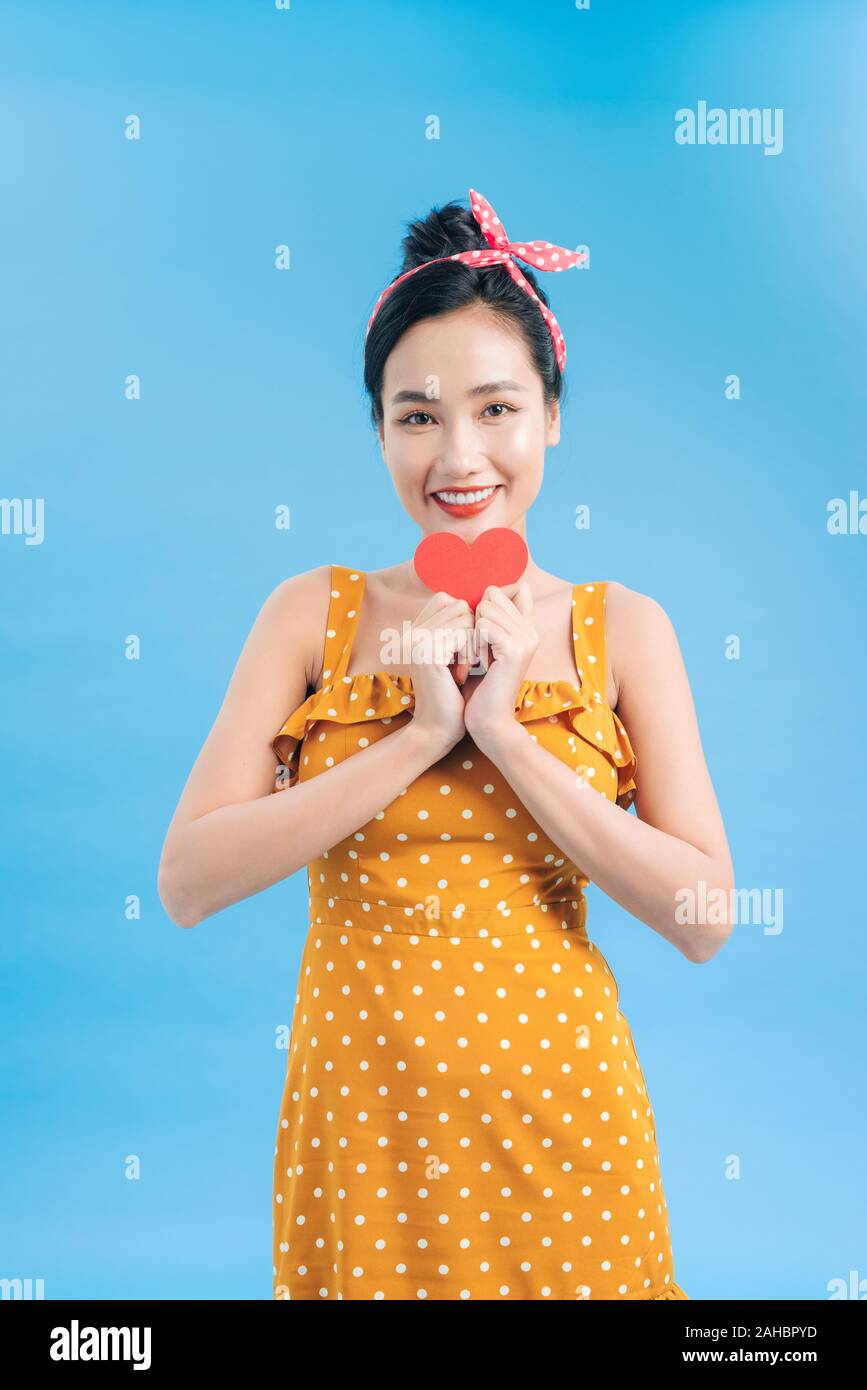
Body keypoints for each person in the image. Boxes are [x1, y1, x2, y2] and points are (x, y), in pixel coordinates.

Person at [158, 188, 734, 1300]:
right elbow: (187, 881)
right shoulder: (308, 614)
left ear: (553, 415)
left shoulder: (625, 629)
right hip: (363, 1132)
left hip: (564, 1128)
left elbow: (705, 919)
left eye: (495, 408)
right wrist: (419, 731)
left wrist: (506, 735)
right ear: (378, 428)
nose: (458, 454)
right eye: (416, 414)